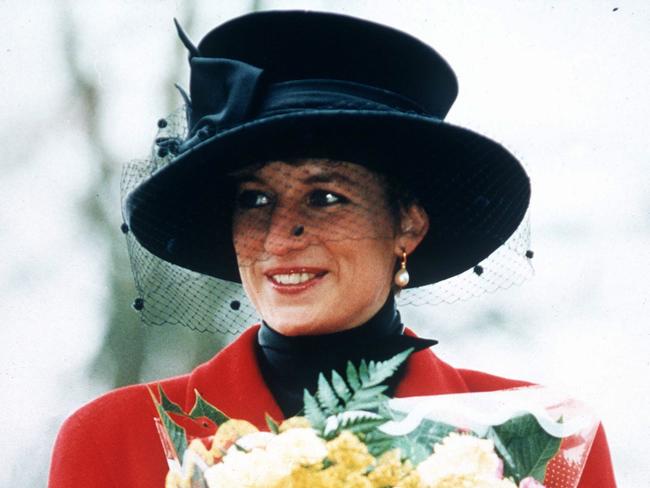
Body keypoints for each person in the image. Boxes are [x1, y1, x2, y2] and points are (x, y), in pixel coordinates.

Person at [49, 10, 616, 487]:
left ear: (408, 226)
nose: (278, 236)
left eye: (324, 197)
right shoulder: (114, 438)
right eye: (253, 199)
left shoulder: (544, 442)